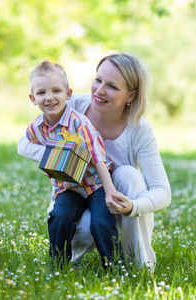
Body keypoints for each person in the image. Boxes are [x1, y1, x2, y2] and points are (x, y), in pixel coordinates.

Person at [18, 52, 171, 270]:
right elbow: (24, 144)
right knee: (65, 218)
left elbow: (163, 192)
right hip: (75, 189)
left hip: (112, 194)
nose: (99, 90)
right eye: (98, 80)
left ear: (130, 95)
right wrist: (59, 159)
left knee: (128, 175)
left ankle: (135, 266)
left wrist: (132, 206)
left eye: (112, 86)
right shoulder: (71, 106)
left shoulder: (140, 130)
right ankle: (64, 266)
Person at [24, 60, 124, 268]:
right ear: (33, 99)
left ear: (68, 94)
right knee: (59, 217)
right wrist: (48, 165)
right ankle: (59, 266)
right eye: (41, 93)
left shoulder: (80, 123)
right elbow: (28, 145)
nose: (49, 97)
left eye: (56, 91)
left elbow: (97, 157)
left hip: (96, 184)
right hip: (69, 187)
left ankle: (116, 268)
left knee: (101, 223)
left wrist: (109, 191)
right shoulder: (37, 128)